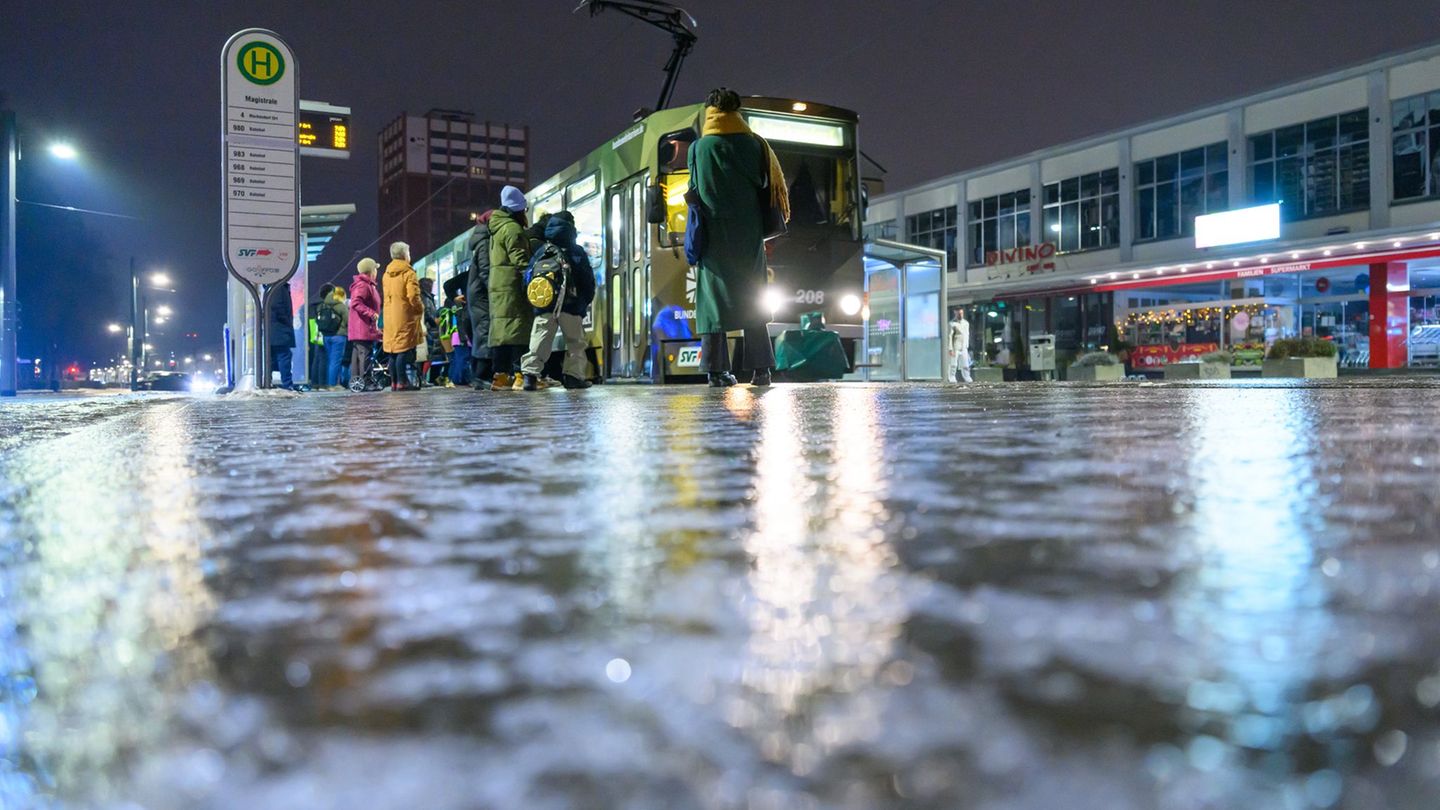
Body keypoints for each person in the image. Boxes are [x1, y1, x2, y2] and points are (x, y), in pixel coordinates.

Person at [687, 87, 789, 387]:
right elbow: (763, 183)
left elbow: (695, 187)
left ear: (710, 112)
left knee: (712, 301)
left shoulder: (698, 149)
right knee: (753, 297)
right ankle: (761, 370)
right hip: (748, 232)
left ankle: (716, 371)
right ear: (736, 111)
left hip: (714, 235)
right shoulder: (756, 145)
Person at [520, 212, 597, 391]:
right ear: (571, 227)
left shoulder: (542, 251)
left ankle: (530, 376)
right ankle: (572, 377)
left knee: (539, 340)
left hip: (545, 306)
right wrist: (583, 303)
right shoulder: (576, 252)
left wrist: (537, 304)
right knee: (575, 343)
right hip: (571, 306)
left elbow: (528, 279)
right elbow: (587, 280)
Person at [488, 185, 535, 390]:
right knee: (518, 329)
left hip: (498, 285)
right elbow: (520, 260)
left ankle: (500, 377)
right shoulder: (512, 228)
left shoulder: (496, 228)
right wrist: (532, 276)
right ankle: (520, 375)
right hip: (512, 286)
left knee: (502, 332)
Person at [383, 242, 424, 391]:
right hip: (405, 315)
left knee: (393, 350)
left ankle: (394, 382)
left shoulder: (386, 274)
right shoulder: (408, 273)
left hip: (390, 316)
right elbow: (413, 296)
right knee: (403, 349)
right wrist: (420, 308)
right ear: (404, 255)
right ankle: (403, 382)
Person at [466, 211, 494, 388]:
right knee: (484, 331)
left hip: (477, 295)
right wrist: (494, 289)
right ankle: (480, 376)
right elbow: (486, 271)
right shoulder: (484, 243)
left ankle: (480, 376)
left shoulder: (480, 241)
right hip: (482, 295)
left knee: (482, 333)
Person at [348, 258, 384, 390]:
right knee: (365, 356)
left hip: (362, 328)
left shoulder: (366, 284)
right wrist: (371, 313)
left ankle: (358, 383)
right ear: (371, 271)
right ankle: (366, 382)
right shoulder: (363, 285)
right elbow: (356, 303)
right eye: (375, 269)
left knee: (358, 357)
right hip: (362, 328)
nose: (376, 272)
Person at [317, 283, 349, 388]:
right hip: (339, 336)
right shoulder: (341, 306)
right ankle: (333, 385)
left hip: (326, 336)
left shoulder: (322, 305)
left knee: (330, 360)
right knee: (336, 361)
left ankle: (332, 382)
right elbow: (348, 320)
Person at [267, 281, 297, 389]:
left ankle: (268, 382)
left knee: (272, 358)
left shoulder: (272, 287)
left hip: (274, 329)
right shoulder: (279, 288)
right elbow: (278, 306)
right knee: (284, 356)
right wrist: (287, 321)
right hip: (280, 329)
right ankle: (287, 384)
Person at [949, 308, 972, 383]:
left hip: (964, 346)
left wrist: (967, 345)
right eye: (959, 313)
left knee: (966, 364)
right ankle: (952, 377)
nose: (960, 315)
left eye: (961, 313)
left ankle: (967, 377)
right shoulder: (952, 324)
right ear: (955, 313)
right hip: (955, 346)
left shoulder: (966, 323)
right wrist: (950, 348)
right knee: (953, 364)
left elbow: (967, 334)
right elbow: (950, 336)